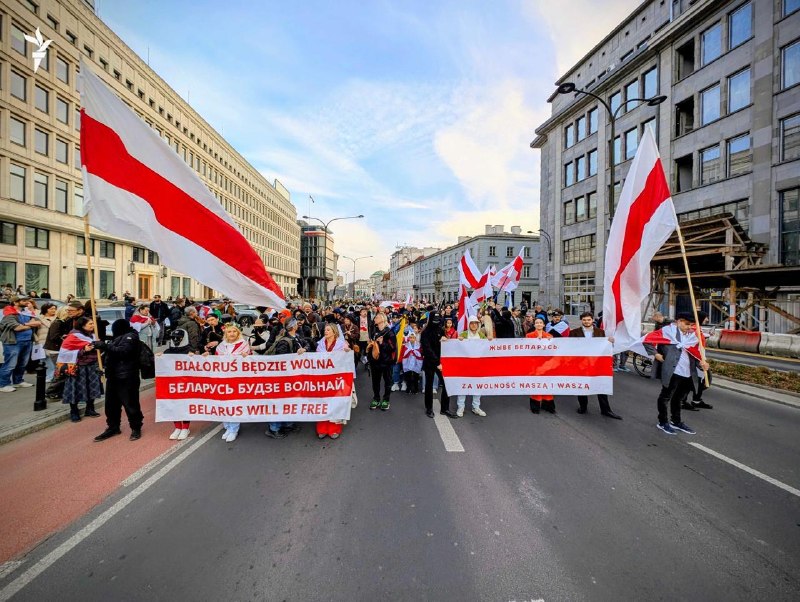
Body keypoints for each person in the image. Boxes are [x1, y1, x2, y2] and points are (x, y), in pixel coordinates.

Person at [644, 312, 710, 436]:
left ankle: (676, 421)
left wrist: (702, 364)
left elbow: (696, 355)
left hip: (688, 373)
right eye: (687, 324)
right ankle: (663, 422)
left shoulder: (694, 336)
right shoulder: (667, 332)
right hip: (672, 371)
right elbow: (647, 340)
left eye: (691, 325)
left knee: (679, 398)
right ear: (679, 321)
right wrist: (656, 354)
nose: (689, 327)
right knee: (665, 397)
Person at [92, 320, 144, 442]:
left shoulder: (130, 337)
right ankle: (113, 427)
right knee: (111, 405)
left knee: (130, 404)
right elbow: (110, 354)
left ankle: (136, 427)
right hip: (113, 376)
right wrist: (101, 366)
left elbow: (123, 352)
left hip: (127, 376)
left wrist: (104, 346)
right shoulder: (116, 338)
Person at [570, 312, 622, 419]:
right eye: (584, 320)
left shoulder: (600, 332)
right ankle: (583, 407)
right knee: (582, 386)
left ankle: (606, 410)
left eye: (588, 320)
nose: (586, 322)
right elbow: (568, 347)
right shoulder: (574, 332)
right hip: (582, 364)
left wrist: (610, 341)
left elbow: (605, 347)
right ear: (581, 320)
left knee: (601, 386)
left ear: (592, 320)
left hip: (597, 363)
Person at [58, 317, 103, 422]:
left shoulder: (93, 335)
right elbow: (65, 353)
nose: (93, 325)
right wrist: (83, 350)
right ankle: (74, 411)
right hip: (78, 367)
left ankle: (90, 408)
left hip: (92, 365)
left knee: (91, 387)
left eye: (93, 323)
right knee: (76, 389)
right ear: (83, 325)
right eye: (90, 324)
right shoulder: (73, 336)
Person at [266, 319, 306, 439]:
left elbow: (306, 344)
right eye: (296, 323)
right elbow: (280, 361)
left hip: (291, 376)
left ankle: (288, 423)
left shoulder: (296, 337)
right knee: (279, 402)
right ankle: (274, 428)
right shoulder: (284, 341)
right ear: (293, 326)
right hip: (283, 378)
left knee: (289, 401)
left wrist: (304, 349)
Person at [213, 323, 251, 442]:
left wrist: (246, 357)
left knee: (234, 404)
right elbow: (215, 362)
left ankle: (234, 428)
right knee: (223, 403)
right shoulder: (220, 347)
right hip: (223, 379)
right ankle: (228, 426)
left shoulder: (244, 345)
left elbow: (250, 362)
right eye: (229, 332)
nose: (232, 334)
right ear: (226, 334)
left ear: (238, 333)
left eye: (234, 331)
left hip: (236, 379)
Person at [315, 323, 350, 440]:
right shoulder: (320, 344)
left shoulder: (342, 344)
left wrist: (347, 352)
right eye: (325, 330)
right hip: (322, 378)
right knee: (322, 402)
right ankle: (322, 428)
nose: (325, 332)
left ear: (334, 332)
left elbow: (346, 361)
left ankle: (334, 429)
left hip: (336, 378)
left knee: (335, 402)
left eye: (328, 330)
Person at [0, 297, 43, 392]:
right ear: (15, 302)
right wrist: (29, 324)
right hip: (13, 342)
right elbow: (17, 328)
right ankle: (3, 384)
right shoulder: (9, 313)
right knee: (10, 364)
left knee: (22, 363)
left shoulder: (26, 312)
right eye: (24, 301)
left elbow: (38, 322)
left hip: (27, 341)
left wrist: (25, 324)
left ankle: (18, 381)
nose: (27, 302)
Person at [420, 310, 455, 418]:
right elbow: (427, 349)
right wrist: (437, 363)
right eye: (434, 319)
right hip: (430, 362)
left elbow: (444, 346)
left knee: (446, 384)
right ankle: (429, 409)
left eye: (438, 319)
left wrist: (445, 340)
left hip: (440, 362)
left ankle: (445, 409)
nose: (436, 321)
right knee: (429, 385)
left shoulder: (441, 330)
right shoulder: (425, 332)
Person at [161, 328, 193, 440]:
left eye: (178, 338)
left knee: (184, 405)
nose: (175, 340)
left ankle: (185, 428)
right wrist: (158, 358)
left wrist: (196, 357)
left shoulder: (190, 351)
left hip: (185, 383)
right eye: (173, 338)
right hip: (172, 384)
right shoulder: (167, 352)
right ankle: (177, 427)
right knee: (173, 405)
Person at [455, 316, 487, 417]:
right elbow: (456, 347)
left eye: (475, 323)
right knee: (463, 386)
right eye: (471, 323)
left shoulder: (481, 335)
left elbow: (487, 348)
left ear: (478, 324)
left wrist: (490, 341)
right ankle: (461, 407)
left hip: (478, 365)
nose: (474, 325)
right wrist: (458, 341)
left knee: (477, 386)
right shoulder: (463, 334)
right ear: (469, 324)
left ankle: (476, 407)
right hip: (465, 365)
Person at [366, 312, 396, 411]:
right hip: (375, 361)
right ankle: (376, 398)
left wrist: (383, 343)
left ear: (383, 319)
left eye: (377, 317)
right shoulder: (374, 331)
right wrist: (370, 344)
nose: (375, 319)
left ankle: (386, 400)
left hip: (386, 362)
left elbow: (393, 347)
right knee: (375, 381)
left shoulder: (390, 332)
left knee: (387, 381)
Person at [526, 317, 554, 414]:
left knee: (547, 384)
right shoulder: (529, 336)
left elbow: (552, 351)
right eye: (537, 323)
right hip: (534, 365)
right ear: (534, 325)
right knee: (536, 384)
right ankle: (535, 406)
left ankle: (548, 405)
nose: (539, 324)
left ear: (544, 324)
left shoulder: (549, 336)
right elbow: (526, 350)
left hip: (546, 364)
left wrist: (550, 341)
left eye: (540, 322)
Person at [35, 302, 58, 382]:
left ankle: (51, 376)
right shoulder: (38, 318)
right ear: (45, 309)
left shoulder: (57, 318)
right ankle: (45, 376)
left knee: (52, 360)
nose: (53, 310)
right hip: (41, 341)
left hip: (52, 342)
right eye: (51, 309)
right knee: (43, 360)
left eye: (54, 309)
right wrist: (36, 339)